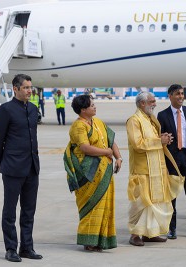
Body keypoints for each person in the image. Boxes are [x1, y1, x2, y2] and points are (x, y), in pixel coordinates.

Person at [0, 74, 43, 262]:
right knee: (10, 211)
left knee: (29, 211)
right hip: (12, 168)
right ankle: (11, 248)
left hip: (32, 168)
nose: (30, 91)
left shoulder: (32, 108)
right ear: (15, 89)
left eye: (31, 87)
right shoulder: (5, 110)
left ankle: (27, 247)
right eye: (26, 88)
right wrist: (2, 163)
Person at [63, 95, 122, 251]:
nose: (95, 107)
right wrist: (106, 152)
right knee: (91, 206)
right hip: (88, 174)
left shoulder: (98, 123)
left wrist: (118, 157)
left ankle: (101, 240)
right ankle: (89, 241)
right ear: (83, 110)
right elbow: (85, 148)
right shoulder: (78, 126)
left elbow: (111, 140)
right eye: (92, 105)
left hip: (104, 172)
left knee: (105, 206)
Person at [126, 91, 184, 246]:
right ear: (142, 103)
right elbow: (138, 144)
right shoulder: (134, 120)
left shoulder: (151, 120)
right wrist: (160, 140)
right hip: (142, 170)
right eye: (151, 101)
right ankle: (135, 234)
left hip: (156, 169)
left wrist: (163, 139)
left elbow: (154, 141)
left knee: (154, 202)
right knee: (141, 203)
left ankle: (150, 234)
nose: (154, 103)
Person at [157, 84, 186, 239]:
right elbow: (161, 138)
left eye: (182, 94)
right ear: (170, 96)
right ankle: (172, 229)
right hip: (172, 158)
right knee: (172, 196)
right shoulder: (162, 115)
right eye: (177, 94)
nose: (180, 96)